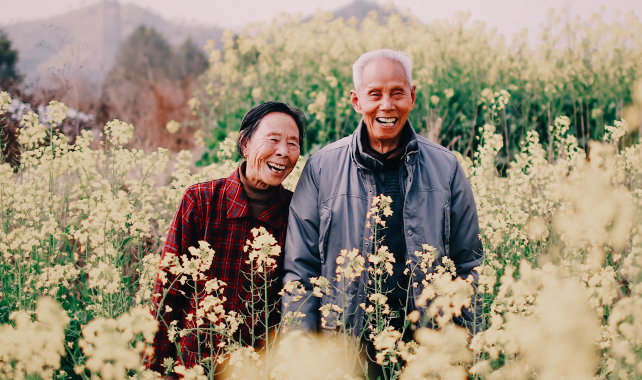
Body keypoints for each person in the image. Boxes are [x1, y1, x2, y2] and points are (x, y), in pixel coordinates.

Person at [281, 49, 483, 339]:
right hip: (345, 348)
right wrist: (302, 346)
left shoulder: (446, 167)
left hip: (426, 346)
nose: (386, 106)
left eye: (397, 93)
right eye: (374, 94)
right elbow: (300, 269)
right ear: (356, 100)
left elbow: (468, 264)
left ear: (412, 96)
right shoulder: (321, 168)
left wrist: (456, 343)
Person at [148, 102, 305, 376]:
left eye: (293, 143)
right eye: (273, 139)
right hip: (194, 367)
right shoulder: (200, 201)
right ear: (245, 144)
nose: (283, 151)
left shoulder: (298, 213)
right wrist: (154, 370)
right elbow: (167, 293)